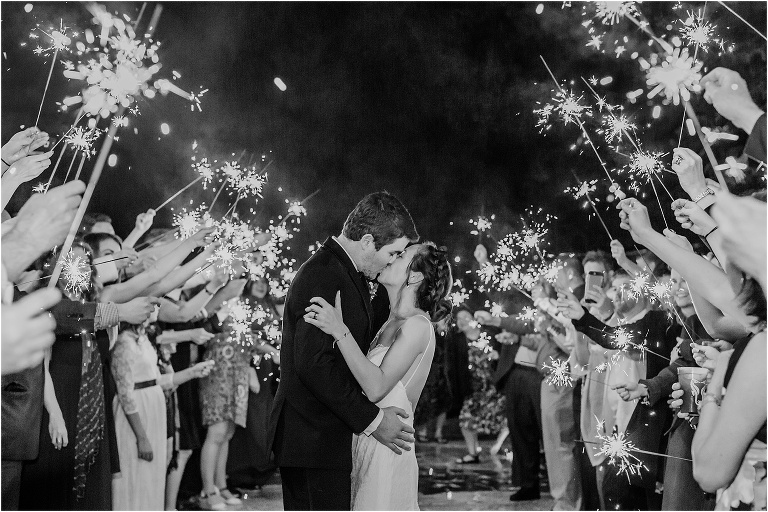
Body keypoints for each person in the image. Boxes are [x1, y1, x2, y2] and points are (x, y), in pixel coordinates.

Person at [268, 191, 419, 511]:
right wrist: (374, 421)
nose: (392, 260)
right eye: (392, 252)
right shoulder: (326, 275)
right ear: (367, 240)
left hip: (317, 439)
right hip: (313, 438)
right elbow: (313, 364)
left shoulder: (339, 270)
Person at [304, 241, 453, 510]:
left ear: (415, 275)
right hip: (366, 441)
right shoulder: (389, 322)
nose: (391, 257)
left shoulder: (418, 325)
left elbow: (376, 387)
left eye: (400, 255)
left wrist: (340, 331)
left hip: (389, 450)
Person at [111, 306, 214, 510]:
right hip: (137, 412)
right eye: (151, 307)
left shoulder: (143, 339)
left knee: (153, 474)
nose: (155, 311)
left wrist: (192, 372)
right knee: (135, 471)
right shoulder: (123, 341)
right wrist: (141, 437)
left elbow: (156, 380)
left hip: (154, 407)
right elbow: (125, 393)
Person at [455, 307, 507, 464]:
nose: (462, 320)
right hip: (473, 388)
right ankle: (473, 453)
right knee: (466, 420)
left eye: (465, 316)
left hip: (493, 385)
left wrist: (498, 356)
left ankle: (498, 444)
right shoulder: (457, 340)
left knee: (503, 418)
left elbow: (505, 350)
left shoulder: (490, 335)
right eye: (459, 318)